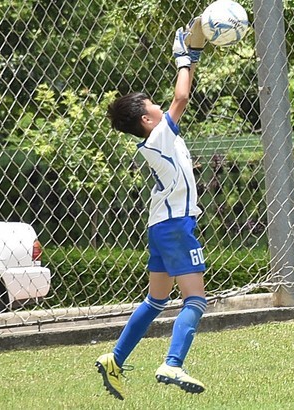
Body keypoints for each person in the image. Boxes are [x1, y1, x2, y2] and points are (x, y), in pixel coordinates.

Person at [95, 20, 209, 400]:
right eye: (153, 106)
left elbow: (175, 102)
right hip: (177, 226)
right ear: (147, 120)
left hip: (160, 226)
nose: (161, 107)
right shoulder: (160, 135)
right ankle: (173, 362)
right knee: (195, 298)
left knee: (156, 299)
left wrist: (191, 58)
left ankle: (114, 358)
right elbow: (181, 98)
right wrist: (182, 60)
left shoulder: (158, 138)